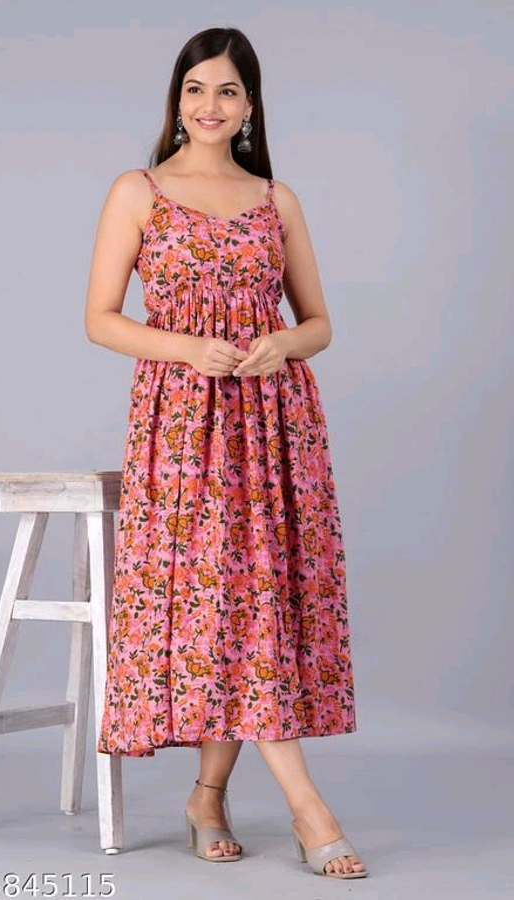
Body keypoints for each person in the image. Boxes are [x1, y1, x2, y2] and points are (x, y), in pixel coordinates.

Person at [84, 26, 368, 880]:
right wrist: (184, 348)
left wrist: (282, 344)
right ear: (178, 99)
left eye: (229, 91)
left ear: (251, 106)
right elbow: (100, 319)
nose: (211, 105)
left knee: (256, 600)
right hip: (183, 426)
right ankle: (308, 807)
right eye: (197, 88)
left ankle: (208, 796)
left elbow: (319, 323)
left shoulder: (276, 200)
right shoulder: (138, 190)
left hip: (274, 423)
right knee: (225, 599)